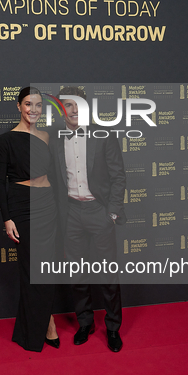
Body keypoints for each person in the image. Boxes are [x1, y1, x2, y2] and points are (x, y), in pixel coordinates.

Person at [49, 86, 126, 352]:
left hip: (98, 212)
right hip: (71, 214)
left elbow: (118, 177)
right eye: (67, 105)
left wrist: (112, 214)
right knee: (77, 274)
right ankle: (85, 323)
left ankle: (113, 327)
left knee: (107, 275)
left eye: (78, 105)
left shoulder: (104, 136)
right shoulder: (56, 140)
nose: (72, 111)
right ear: (61, 110)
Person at [0, 87, 59, 352]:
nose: (33, 110)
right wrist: (7, 218)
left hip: (48, 205)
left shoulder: (46, 136)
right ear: (18, 106)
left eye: (39, 105)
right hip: (23, 207)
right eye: (28, 104)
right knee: (32, 269)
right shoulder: (3, 141)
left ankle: (44, 320)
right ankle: (47, 325)